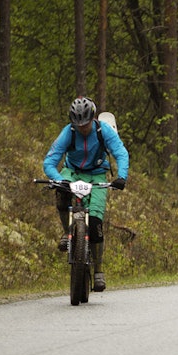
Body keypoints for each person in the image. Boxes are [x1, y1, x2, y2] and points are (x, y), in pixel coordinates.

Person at [42, 96, 129, 293]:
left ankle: (98, 271)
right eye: (78, 124)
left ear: (93, 119)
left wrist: (121, 177)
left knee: (96, 223)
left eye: (86, 124)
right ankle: (67, 231)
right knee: (61, 193)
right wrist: (59, 178)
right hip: (72, 172)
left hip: (97, 174)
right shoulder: (68, 132)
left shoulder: (103, 131)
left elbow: (121, 153)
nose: (82, 128)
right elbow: (50, 161)